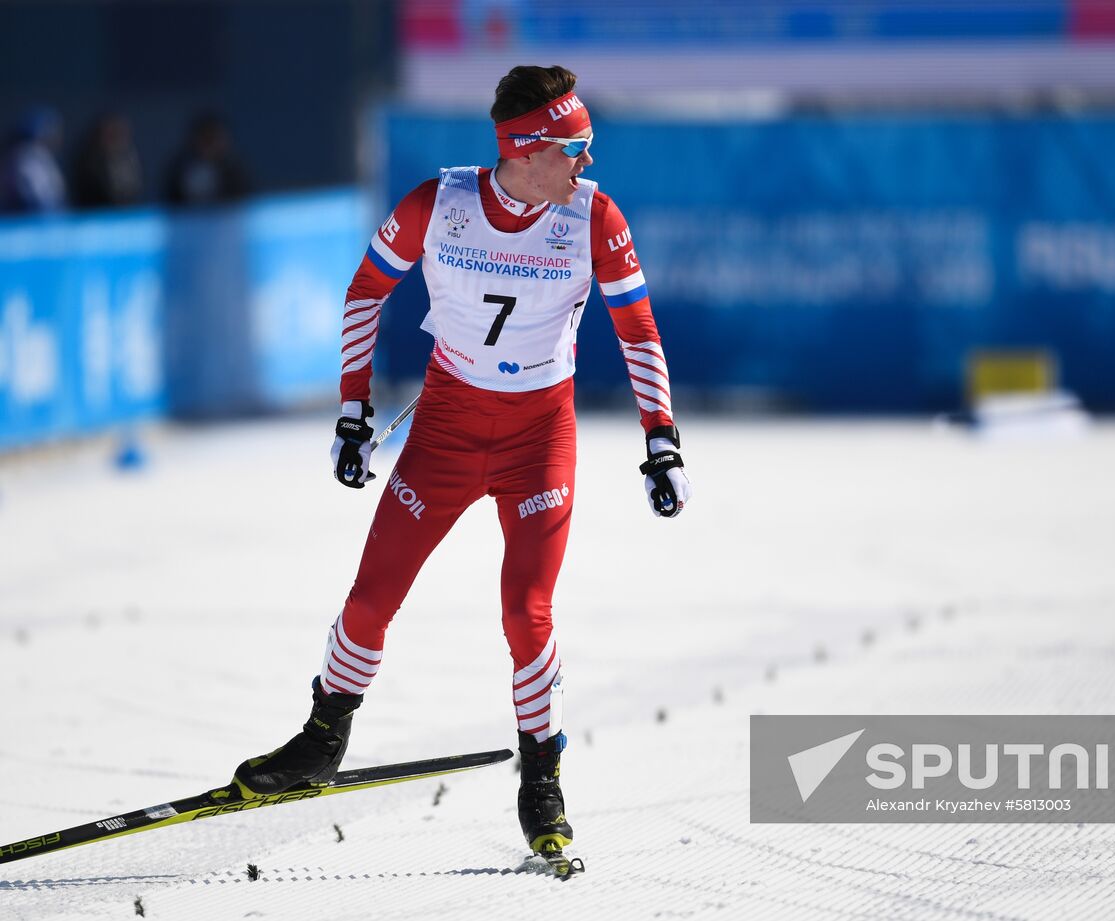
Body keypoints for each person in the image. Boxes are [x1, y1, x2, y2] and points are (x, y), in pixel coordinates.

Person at [233, 66, 691, 860]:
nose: (587, 160)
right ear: (526, 148)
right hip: (445, 429)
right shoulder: (435, 205)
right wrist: (352, 411)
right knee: (372, 596)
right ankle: (321, 738)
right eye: (574, 146)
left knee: (527, 611)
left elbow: (638, 329)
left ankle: (541, 779)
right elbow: (365, 291)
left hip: (537, 436)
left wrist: (662, 439)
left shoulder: (592, 216)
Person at [163, 112, 249, 205]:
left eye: (214, 139)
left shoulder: (233, 168)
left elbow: (242, 199)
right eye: (206, 138)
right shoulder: (180, 168)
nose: (210, 145)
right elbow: (170, 201)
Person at [0, 106, 66, 213]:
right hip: (27, 222)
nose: (55, 137)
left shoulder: (43, 156)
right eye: (49, 131)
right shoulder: (27, 157)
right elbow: (39, 199)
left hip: (46, 219)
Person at [70, 113, 143, 208]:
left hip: (126, 214)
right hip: (97, 214)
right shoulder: (90, 164)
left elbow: (134, 187)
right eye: (113, 133)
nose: (119, 139)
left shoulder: (130, 158)